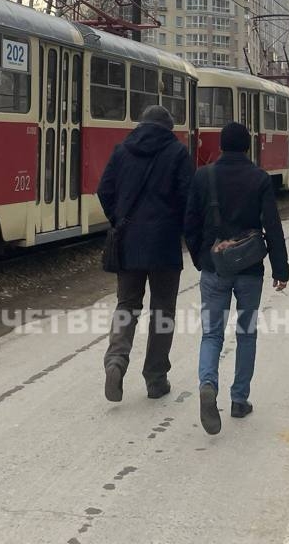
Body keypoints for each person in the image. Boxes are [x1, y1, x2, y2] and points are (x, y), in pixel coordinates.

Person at [184, 121, 289, 435]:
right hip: (249, 270)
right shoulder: (259, 178)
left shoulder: (203, 176)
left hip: (214, 267)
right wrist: (281, 269)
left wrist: (202, 257)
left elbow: (189, 223)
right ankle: (239, 399)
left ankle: (207, 385)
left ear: (221, 146)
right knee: (246, 332)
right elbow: (273, 225)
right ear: (247, 146)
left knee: (212, 334)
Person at [97, 104, 195, 402]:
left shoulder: (122, 150)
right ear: (168, 128)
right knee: (163, 311)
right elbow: (189, 198)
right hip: (164, 243)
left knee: (127, 304)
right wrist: (181, 229)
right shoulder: (178, 153)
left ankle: (116, 360)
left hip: (128, 241)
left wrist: (118, 219)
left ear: (141, 125)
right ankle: (155, 378)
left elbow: (104, 190)